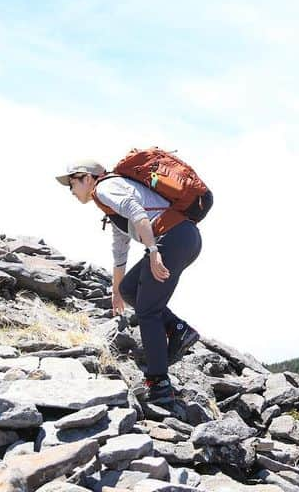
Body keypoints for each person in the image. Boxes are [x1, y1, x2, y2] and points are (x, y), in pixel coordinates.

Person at [56, 159, 202, 406]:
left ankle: (159, 385)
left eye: (72, 183)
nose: (71, 191)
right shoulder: (108, 203)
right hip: (183, 238)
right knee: (129, 290)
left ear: (86, 178)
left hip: (173, 239)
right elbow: (120, 250)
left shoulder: (104, 188)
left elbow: (137, 212)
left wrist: (154, 251)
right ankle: (178, 330)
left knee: (148, 311)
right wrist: (117, 292)